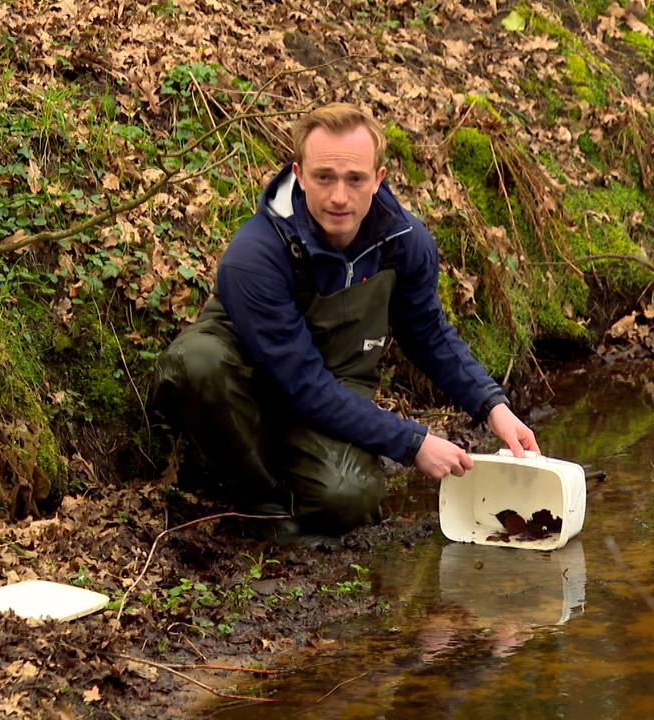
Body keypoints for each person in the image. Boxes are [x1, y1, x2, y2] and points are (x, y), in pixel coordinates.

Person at [150, 102, 539, 544]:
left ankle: (295, 477)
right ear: (299, 175)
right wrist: (413, 443)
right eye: (324, 178)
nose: (339, 196)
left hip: (333, 385)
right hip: (248, 382)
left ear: (378, 178)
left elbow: (428, 334)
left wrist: (493, 407)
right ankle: (260, 505)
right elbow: (299, 382)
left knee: (349, 497)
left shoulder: (406, 243)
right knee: (196, 361)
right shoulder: (254, 254)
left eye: (355, 179)